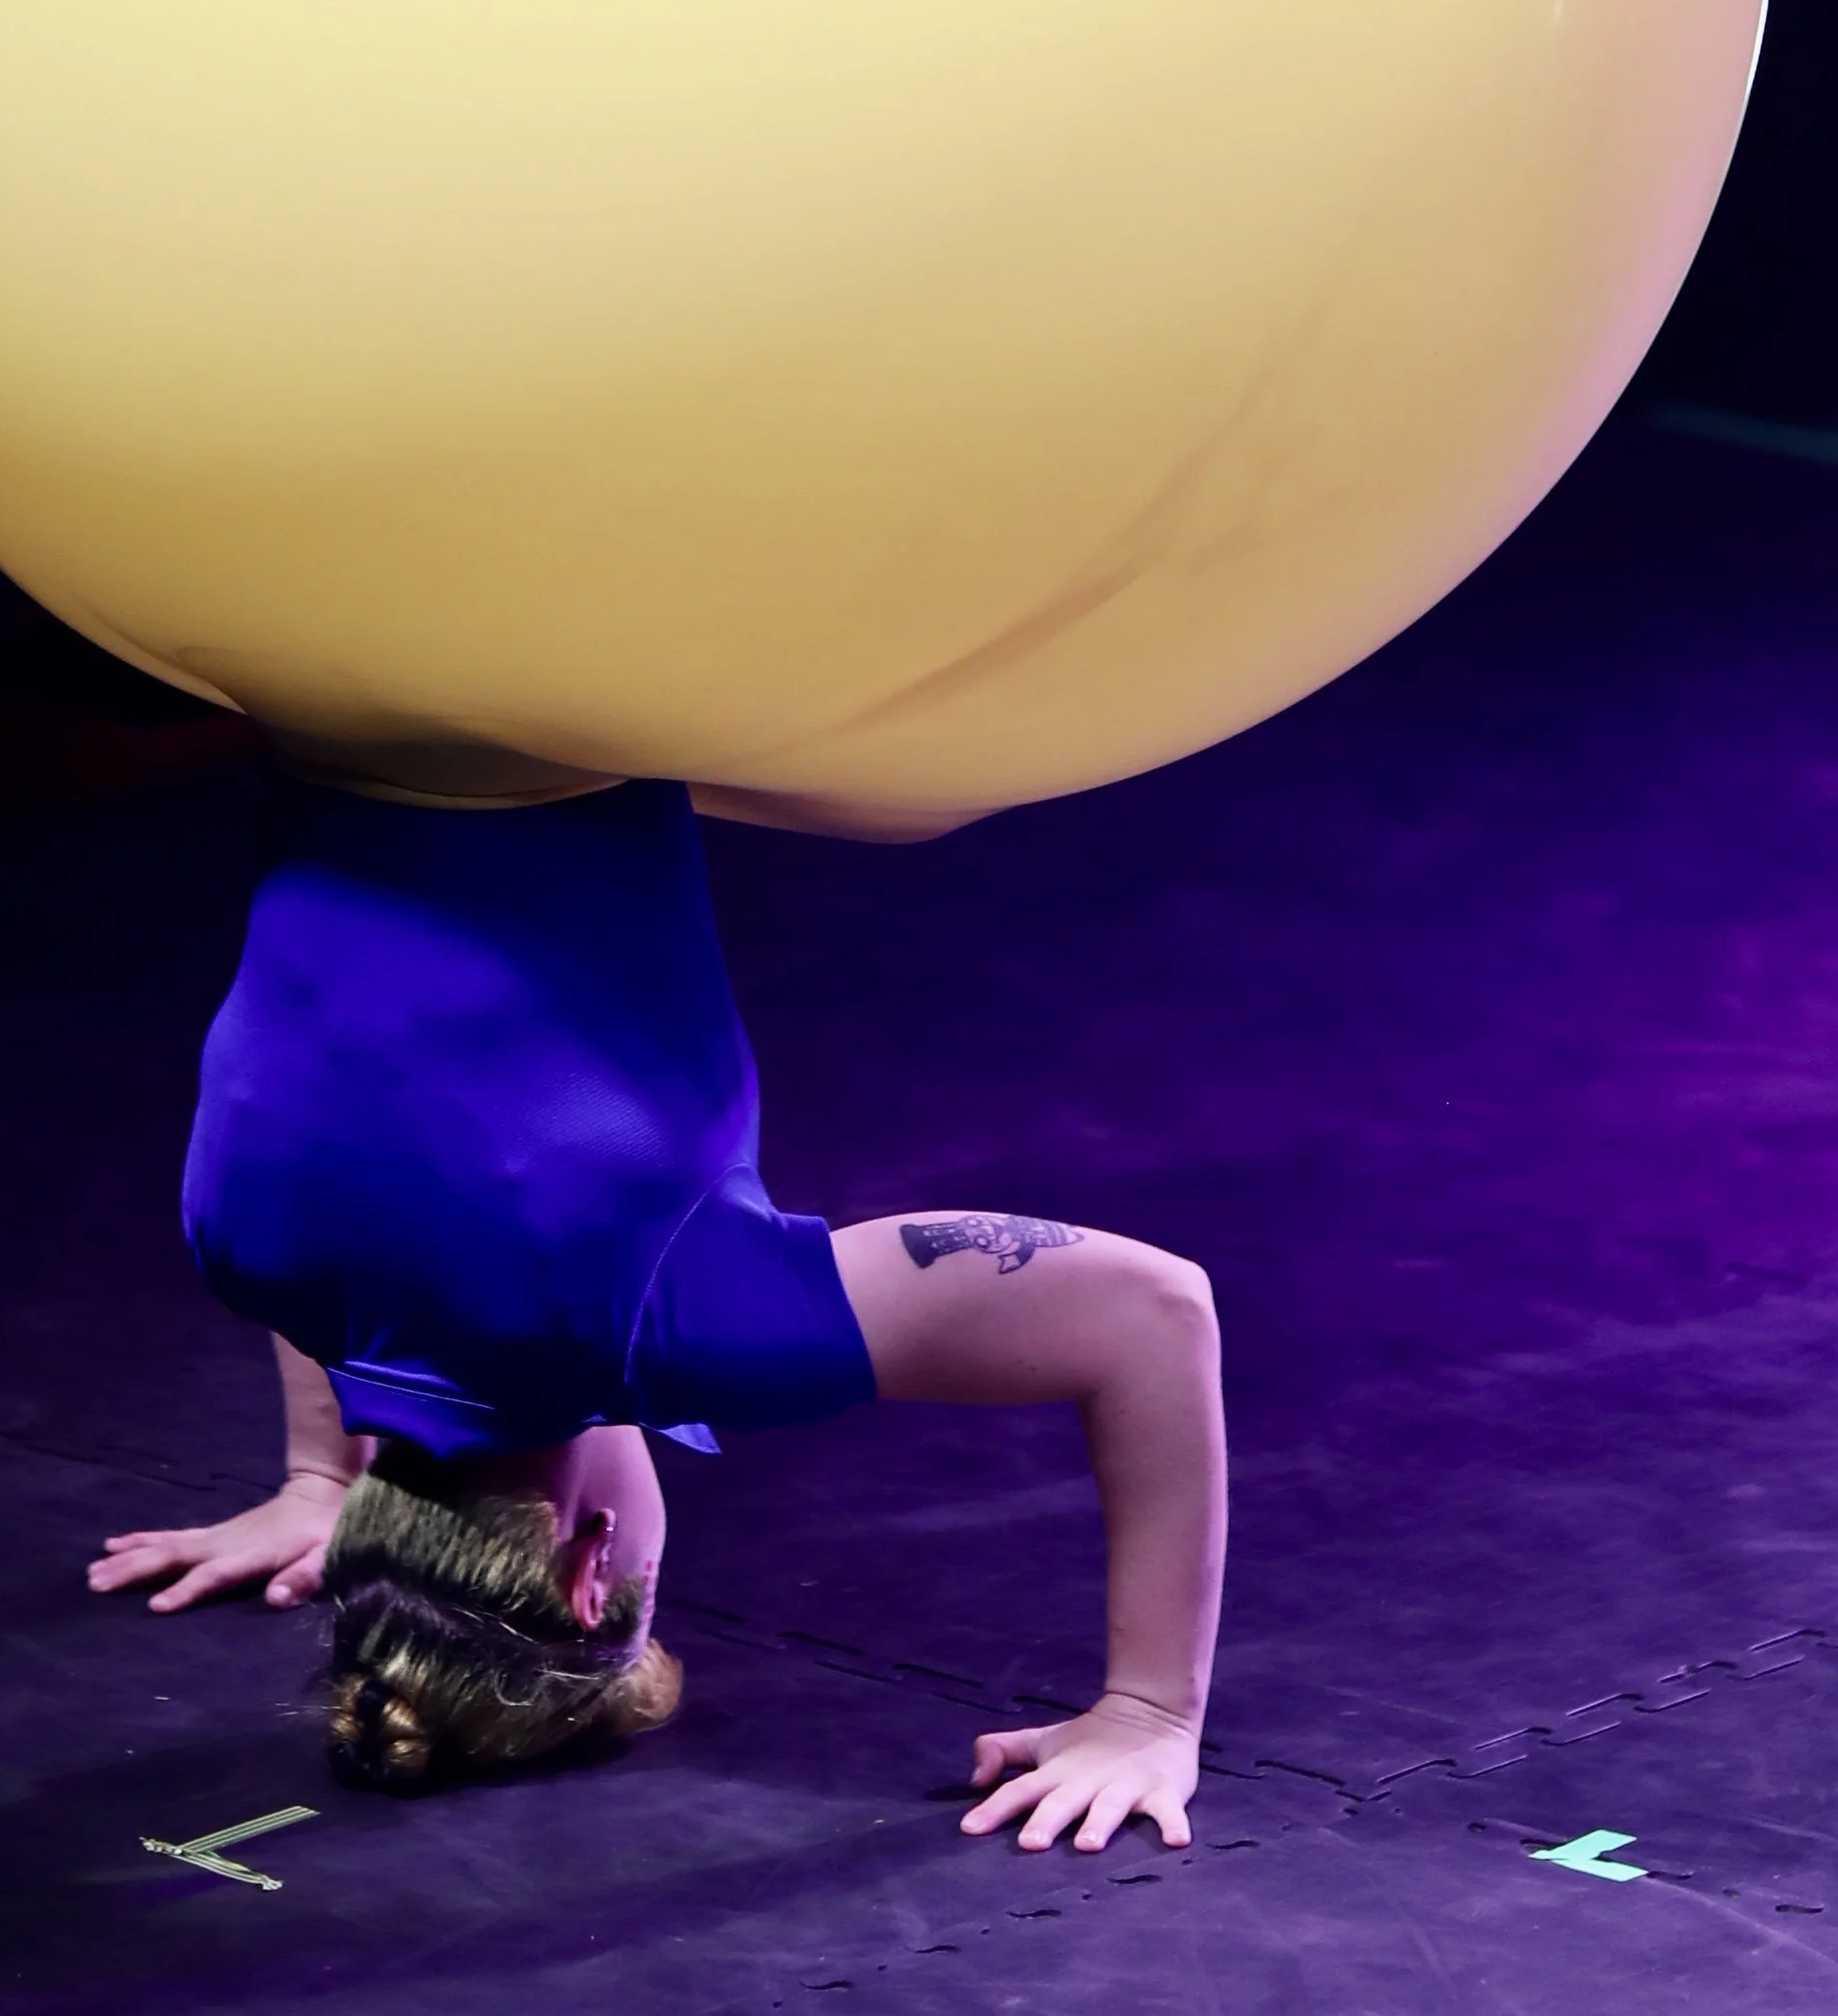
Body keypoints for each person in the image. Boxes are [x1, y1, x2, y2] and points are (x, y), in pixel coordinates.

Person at [88, 741, 1223, 1855]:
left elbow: (1154, 1311)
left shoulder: (672, 1322)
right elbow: (343, 1251)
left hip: (556, 698)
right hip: (320, 681)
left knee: (923, 792)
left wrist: (1147, 1714)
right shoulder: (240, 1250)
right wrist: (315, 1479)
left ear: (592, 1576)